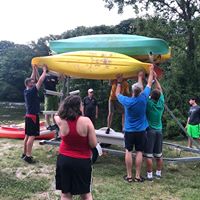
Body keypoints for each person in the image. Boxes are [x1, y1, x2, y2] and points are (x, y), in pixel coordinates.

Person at [115, 65, 154, 183]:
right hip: (141, 131)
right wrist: (151, 69)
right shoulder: (143, 98)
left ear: (132, 91)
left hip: (129, 131)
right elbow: (149, 84)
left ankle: (129, 176)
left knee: (128, 151)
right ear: (140, 91)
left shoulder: (127, 101)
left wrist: (119, 82)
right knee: (139, 152)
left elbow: (117, 94)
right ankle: (137, 176)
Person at [54, 95, 97, 200]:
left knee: (65, 194)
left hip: (64, 160)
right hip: (82, 161)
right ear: (78, 107)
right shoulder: (86, 121)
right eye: (81, 104)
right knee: (86, 194)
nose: (83, 106)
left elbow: (56, 115)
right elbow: (93, 144)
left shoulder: (60, 120)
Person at [22, 64, 47, 164]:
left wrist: (34, 69)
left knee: (27, 136)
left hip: (28, 116)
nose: (34, 81)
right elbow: (40, 81)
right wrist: (44, 71)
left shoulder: (26, 90)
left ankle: (24, 154)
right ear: (29, 84)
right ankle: (28, 156)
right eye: (32, 82)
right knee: (31, 136)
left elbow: (32, 79)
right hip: (32, 116)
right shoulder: (32, 90)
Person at [144, 74, 165, 180]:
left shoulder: (149, 104)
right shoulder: (161, 103)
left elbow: (145, 93)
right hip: (159, 131)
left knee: (148, 155)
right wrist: (156, 79)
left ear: (151, 97)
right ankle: (158, 174)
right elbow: (159, 89)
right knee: (158, 154)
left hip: (150, 131)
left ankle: (149, 175)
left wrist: (149, 81)